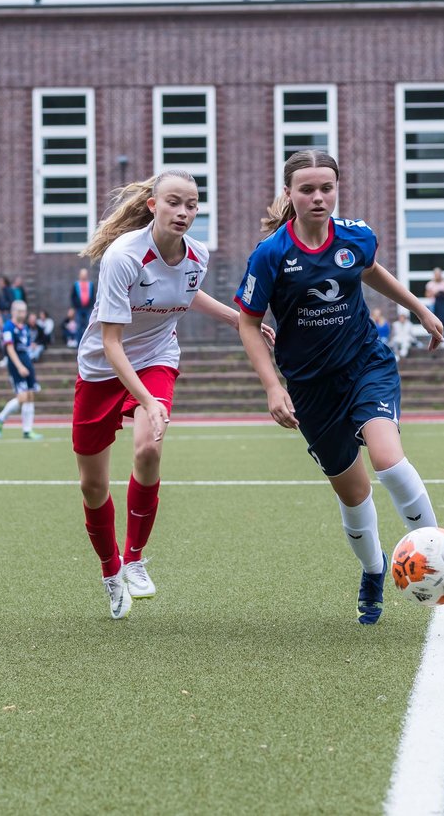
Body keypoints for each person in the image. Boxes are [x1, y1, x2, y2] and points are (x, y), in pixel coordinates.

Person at [235, 149, 444, 625]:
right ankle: (373, 570)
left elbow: (367, 270)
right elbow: (248, 322)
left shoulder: (356, 235)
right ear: (290, 194)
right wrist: (272, 387)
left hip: (365, 365)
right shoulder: (271, 256)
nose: (318, 197)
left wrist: (420, 309)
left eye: (327, 187)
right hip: (310, 388)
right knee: (354, 494)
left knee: (389, 460)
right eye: (307, 189)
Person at [73, 169, 272, 620]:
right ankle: (110, 572)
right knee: (92, 485)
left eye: (192, 204)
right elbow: (111, 343)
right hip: (104, 367)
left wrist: (241, 319)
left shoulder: (197, 254)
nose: (184, 212)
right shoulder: (124, 257)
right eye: (174, 202)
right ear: (153, 205)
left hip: (158, 358)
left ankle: (136, 557)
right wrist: (143, 398)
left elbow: (189, 290)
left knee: (148, 449)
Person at [0, 300, 42, 441]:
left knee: (31, 395)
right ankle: (0, 419)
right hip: (16, 365)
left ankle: (27, 431)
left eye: (24, 311)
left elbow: (24, 347)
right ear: (13, 311)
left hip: (27, 363)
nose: (23, 314)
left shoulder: (25, 328)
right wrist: (19, 366)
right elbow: (9, 348)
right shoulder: (8, 326)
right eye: (20, 311)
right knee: (22, 397)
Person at [424, 267, 444, 345]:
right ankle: (433, 337)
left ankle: (442, 338)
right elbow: (427, 294)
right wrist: (434, 293)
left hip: (442, 305)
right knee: (432, 321)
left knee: (443, 320)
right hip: (433, 305)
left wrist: (442, 293)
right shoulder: (430, 284)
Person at [70, 268, 96, 345]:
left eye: (85, 274)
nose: (83, 276)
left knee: (88, 326)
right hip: (79, 309)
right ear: (80, 275)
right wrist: (74, 306)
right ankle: (78, 344)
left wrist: (91, 305)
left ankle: (87, 344)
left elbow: (93, 296)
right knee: (78, 326)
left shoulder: (90, 284)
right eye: (82, 274)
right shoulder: (76, 285)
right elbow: (73, 297)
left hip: (88, 309)